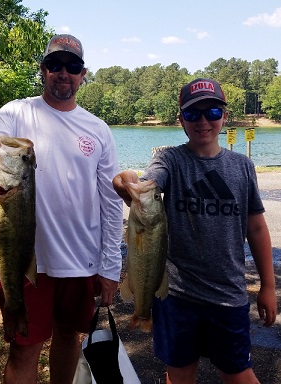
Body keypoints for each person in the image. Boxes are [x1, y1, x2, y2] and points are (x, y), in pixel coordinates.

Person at [0, 34, 123, 384]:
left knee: (69, 338)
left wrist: (111, 265)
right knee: (23, 348)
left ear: (83, 74)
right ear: (43, 70)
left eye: (72, 66)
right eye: (54, 65)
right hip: (22, 258)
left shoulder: (98, 130)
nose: (62, 73)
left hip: (82, 259)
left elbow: (111, 203)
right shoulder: (16, 112)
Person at [113, 78, 277, 384]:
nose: (203, 121)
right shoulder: (170, 160)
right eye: (192, 114)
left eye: (212, 112)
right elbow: (149, 182)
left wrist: (267, 285)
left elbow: (256, 227)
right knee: (179, 374)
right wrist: (126, 181)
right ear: (181, 121)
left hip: (228, 296)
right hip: (176, 296)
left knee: (239, 374)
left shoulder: (242, 166)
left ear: (224, 117)